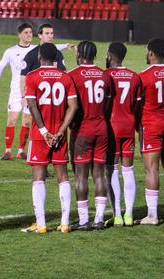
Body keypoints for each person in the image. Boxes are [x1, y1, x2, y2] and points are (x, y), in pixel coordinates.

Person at [21, 43, 78, 234]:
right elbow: (73, 107)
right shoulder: (66, 77)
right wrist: (61, 131)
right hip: (60, 135)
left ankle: (42, 224)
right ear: (56, 58)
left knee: (38, 177)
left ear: (39, 56)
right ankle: (64, 223)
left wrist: (44, 131)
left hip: (40, 135)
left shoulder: (31, 77)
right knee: (63, 176)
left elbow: (33, 107)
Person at [0, 23, 71, 160]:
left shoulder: (53, 53)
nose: (50, 36)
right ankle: (8, 150)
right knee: (12, 119)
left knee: (28, 121)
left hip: (45, 95)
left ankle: (22, 150)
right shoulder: (20, 52)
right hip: (22, 91)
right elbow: (14, 73)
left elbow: (62, 69)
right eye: (47, 33)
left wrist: (66, 45)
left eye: (52, 33)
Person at [68, 41, 112, 231]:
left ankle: (84, 220)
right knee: (99, 175)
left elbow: (70, 107)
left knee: (81, 176)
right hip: (102, 127)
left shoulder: (73, 75)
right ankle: (100, 219)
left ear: (79, 55)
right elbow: (108, 106)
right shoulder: (104, 75)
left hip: (82, 130)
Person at [138, 38, 164, 225]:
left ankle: (153, 215)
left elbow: (137, 105)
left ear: (151, 53)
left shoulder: (144, 76)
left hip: (151, 124)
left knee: (151, 168)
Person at [103, 42, 142, 227]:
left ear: (110, 56)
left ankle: (117, 214)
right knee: (129, 171)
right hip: (129, 126)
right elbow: (137, 106)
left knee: (112, 170)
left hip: (112, 128)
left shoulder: (107, 75)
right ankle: (130, 214)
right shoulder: (135, 77)